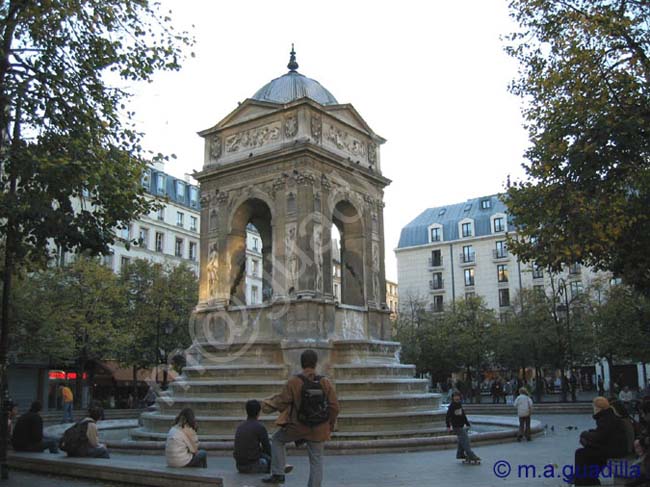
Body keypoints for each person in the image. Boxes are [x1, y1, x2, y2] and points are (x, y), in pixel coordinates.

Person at [261, 349, 340, 485]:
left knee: (277, 440)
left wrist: (267, 405)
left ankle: (278, 473)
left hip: (298, 426)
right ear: (315, 363)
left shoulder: (294, 382)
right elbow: (335, 407)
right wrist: (330, 425)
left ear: (302, 363)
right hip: (319, 428)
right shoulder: (325, 382)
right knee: (317, 460)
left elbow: (282, 401)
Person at [571, 396, 628, 486]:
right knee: (587, 451)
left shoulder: (606, 418)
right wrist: (589, 435)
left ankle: (583, 480)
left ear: (598, 408)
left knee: (581, 453)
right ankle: (587, 479)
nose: (593, 409)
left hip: (614, 450)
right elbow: (602, 433)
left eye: (594, 407)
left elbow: (600, 437)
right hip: (613, 447)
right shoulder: (607, 416)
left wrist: (584, 434)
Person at [234, 400, 272, 473]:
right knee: (268, 459)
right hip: (253, 466)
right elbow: (267, 448)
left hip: (239, 466)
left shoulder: (240, 427)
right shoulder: (260, 427)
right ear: (258, 412)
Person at [446, 391, 480, 462]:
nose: (457, 397)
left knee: (462, 440)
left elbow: (463, 415)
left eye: (458, 396)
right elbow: (447, 416)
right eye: (455, 396)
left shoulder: (459, 404)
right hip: (456, 426)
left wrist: (467, 423)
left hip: (461, 425)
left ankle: (460, 454)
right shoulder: (452, 406)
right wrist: (448, 426)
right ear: (453, 398)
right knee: (466, 440)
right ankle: (470, 454)